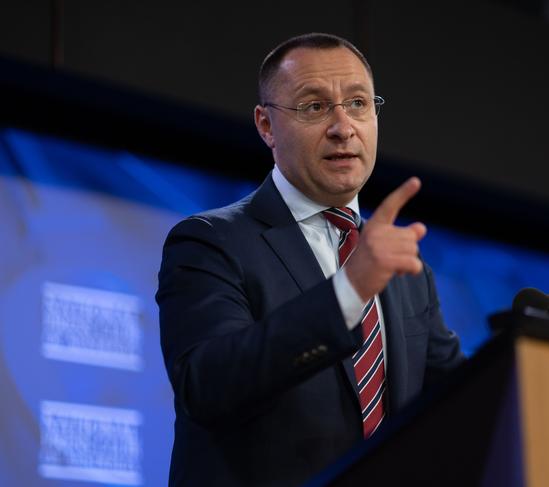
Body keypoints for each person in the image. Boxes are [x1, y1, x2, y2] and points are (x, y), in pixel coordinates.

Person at [156, 32, 464, 487]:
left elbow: (458, 399)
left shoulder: (404, 272)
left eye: (358, 103)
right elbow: (208, 386)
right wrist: (349, 290)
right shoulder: (209, 242)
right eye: (315, 107)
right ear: (265, 126)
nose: (343, 127)